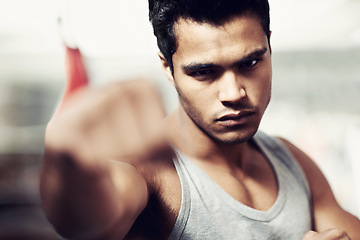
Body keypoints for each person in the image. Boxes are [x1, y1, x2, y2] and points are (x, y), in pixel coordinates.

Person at [40, 0, 360, 239]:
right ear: (168, 68)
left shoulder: (291, 160)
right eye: (204, 72)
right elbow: (83, 220)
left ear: (269, 47)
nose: (234, 92)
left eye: (250, 62)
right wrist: (65, 154)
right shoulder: (150, 174)